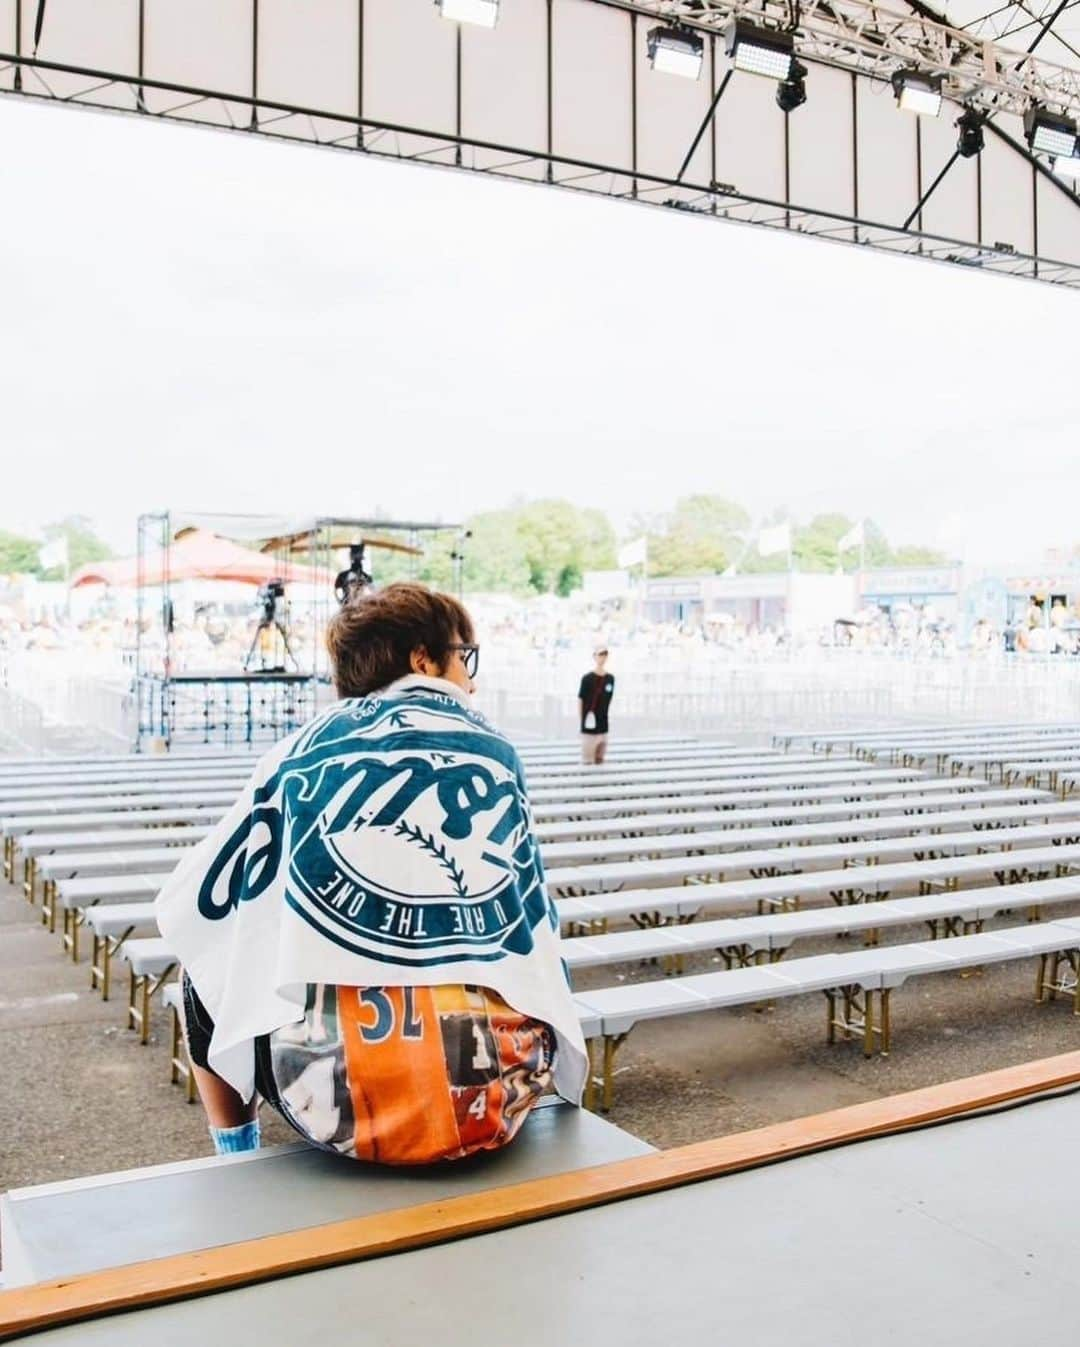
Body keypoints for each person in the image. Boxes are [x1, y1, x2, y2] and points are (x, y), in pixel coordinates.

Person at [156, 582, 586, 1164]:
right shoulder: (497, 750)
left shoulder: (295, 752)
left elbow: (198, 901)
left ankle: (235, 1154)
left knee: (202, 964)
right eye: (467, 657)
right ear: (423, 659)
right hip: (496, 1098)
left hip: (333, 1110)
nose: (473, 680)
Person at [578, 647, 615, 764]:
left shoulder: (610, 679)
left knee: (600, 759)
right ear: (594, 656)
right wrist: (582, 721)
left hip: (603, 725)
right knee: (587, 760)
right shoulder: (587, 678)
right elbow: (581, 699)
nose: (602, 658)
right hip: (589, 726)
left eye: (605, 655)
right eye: (600, 654)